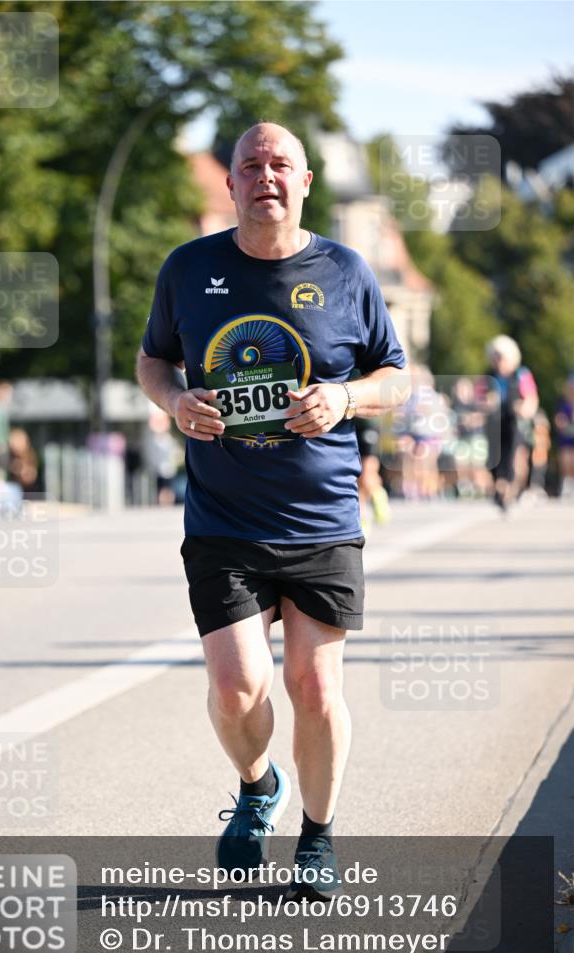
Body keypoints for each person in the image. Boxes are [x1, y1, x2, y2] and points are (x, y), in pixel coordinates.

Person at [136, 122, 410, 899]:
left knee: (315, 689)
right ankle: (258, 786)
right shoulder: (188, 269)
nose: (266, 176)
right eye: (250, 164)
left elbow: (396, 377)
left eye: (280, 164)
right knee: (235, 690)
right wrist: (173, 401)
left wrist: (344, 396)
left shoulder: (346, 270)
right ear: (229, 184)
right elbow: (153, 357)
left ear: (305, 181)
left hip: (321, 519)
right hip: (223, 519)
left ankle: (318, 838)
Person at [485, 336, 539, 511]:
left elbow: (531, 398)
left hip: (514, 420)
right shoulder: (489, 375)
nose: (498, 361)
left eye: (501, 357)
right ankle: (499, 487)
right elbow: (480, 397)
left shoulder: (521, 374)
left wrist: (524, 408)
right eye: (496, 356)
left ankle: (506, 490)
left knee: (511, 455)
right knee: (493, 457)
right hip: (494, 421)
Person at [554, 373, 574, 499]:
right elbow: (558, 420)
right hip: (566, 438)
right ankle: (567, 485)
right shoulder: (563, 404)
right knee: (566, 460)